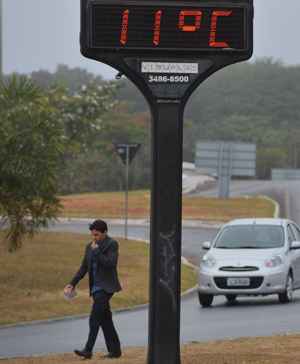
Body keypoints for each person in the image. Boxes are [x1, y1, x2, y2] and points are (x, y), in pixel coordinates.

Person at [64, 219, 122, 359]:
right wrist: (72, 283)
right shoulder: (89, 246)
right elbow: (84, 267)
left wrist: (97, 252)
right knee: (105, 320)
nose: (94, 237)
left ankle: (88, 350)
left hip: (106, 287)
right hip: (95, 288)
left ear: (104, 232)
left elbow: (110, 263)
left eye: (96, 235)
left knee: (94, 318)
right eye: (92, 235)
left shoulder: (112, 244)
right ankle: (115, 351)